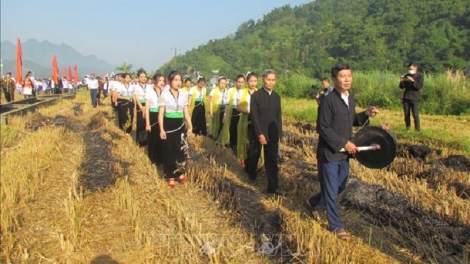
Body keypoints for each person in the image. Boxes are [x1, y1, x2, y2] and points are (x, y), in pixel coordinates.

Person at [305, 62, 380, 240]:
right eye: (342, 76)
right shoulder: (327, 101)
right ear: (334, 79)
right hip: (329, 152)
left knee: (340, 185)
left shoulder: (350, 98)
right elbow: (322, 127)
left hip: (344, 154)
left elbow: (350, 119)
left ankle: (314, 202)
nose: (347, 80)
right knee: (331, 189)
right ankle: (336, 225)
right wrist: (343, 142)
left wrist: (365, 114)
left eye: (349, 76)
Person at [246, 69, 284, 196]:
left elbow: (278, 116)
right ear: (263, 79)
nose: (271, 82)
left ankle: (273, 186)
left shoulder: (276, 97)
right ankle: (251, 174)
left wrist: (279, 133)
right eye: (269, 79)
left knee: (272, 159)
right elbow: (254, 116)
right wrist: (259, 133)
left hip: (272, 133)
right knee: (254, 154)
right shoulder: (256, 96)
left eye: (273, 80)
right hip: (259, 131)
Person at [158, 71, 193, 188]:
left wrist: (190, 125)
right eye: (175, 80)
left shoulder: (184, 95)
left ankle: (180, 173)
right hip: (169, 125)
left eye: (180, 80)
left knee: (181, 149)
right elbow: (161, 113)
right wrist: (162, 129)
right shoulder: (164, 95)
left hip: (180, 125)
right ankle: (170, 175)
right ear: (170, 81)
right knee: (169, 150)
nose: (178, 82)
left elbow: (186, 112)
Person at [219, 74, 245, 153]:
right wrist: (225, 115)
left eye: (242, 82)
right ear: (235, 82)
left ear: (244, 83)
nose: (240, 84)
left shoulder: (245, 91)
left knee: (241, 131)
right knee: (232, 129)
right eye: (238, 82)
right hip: (232, 112)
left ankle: (240, 146)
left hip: (242, 113)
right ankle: (233, 146)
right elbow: (227, 104)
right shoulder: (230, 91)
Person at [237, 71, 258, 167]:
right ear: (247, 82)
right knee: (244, 140)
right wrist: (248, 112)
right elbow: (238, 107)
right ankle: (243, 159)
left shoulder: (259, 93)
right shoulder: (241, 92)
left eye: (255, 81)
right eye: (251, 81)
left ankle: (253, 161)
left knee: (254, 140)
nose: (253, 83)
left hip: (256, 119)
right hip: (245, 118)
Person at [146, 73, 165, 165]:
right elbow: (147, 108)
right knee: (153, 138)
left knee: (161, 138)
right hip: (153, 115)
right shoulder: (150, 91)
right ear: (155, 81)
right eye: (159, 80)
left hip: (162, 115)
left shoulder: (165, 92)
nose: (162, 82)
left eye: (163, 80)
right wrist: (147, 123)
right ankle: (152, 158)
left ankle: (160, 159)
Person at [399, 62, 423, 131]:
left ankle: (417, 129)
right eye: (409, 69)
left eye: (411, 68)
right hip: (406, 97)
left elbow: (418, 86)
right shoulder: (407, 75)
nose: (410, 70)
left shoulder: (419, 76)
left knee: (415, 114)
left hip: (415, 98)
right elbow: (401, 87)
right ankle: (408, 128)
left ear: (415, 68)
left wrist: (412, 81)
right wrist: (401, 81)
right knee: (406, 114)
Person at [133, 69, 150, 147]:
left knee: (147, 122)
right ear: (138, 77)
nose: (143, 78)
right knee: (140, 123)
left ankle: (147, 141)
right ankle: (140, 142)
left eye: (145, 77)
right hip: (140, 105)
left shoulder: (149, 87)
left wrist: (146, 107)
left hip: (148, 105)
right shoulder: (135, 87)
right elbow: (137, 98)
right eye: (141, 77)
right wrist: (142, 108)